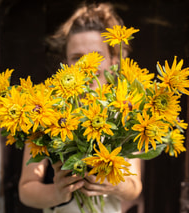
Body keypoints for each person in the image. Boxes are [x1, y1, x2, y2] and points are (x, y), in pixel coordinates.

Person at [18, 3, 142, 213]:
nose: (87, 64)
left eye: (96, 55)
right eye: (77, 58)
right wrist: (57, 193)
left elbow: (135, 188)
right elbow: (26, 190)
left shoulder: (126, 111)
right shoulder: (44, 112)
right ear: (66, 63)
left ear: (113, 60)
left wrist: (117, 185)